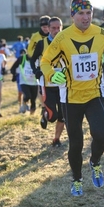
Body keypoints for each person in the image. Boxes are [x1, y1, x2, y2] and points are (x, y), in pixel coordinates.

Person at [40, 0, 104, 196]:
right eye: (81, 13)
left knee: (101, 136)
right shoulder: (62, 37)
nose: (85, 17)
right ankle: (77, 179)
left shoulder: (102, 34)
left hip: (94, 96)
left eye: (89, 13)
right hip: (71, 99)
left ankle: (95, 162)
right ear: (72, 15)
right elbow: (45, 62)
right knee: (76, 143)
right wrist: (51, 75)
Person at [31, 17, 65, 147]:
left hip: (62, 84)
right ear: (48, 29)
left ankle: (56, 139)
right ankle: (45, 115)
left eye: (59, 28)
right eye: (53, 28)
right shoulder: (41, 43)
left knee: (63, 115)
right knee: (53, 117)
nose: (56, 30)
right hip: (47, 84)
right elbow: (32, 59)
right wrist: (36, 71)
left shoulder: (66, 42)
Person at [10, 48, 38, 115]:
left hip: (34, 83)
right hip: (24, 82)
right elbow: (13, 68)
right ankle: (24, 103)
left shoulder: (37, 58)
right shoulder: (22, 58)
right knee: (27, 95)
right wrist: (14, 74)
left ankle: (32, 115)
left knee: (33, 100)